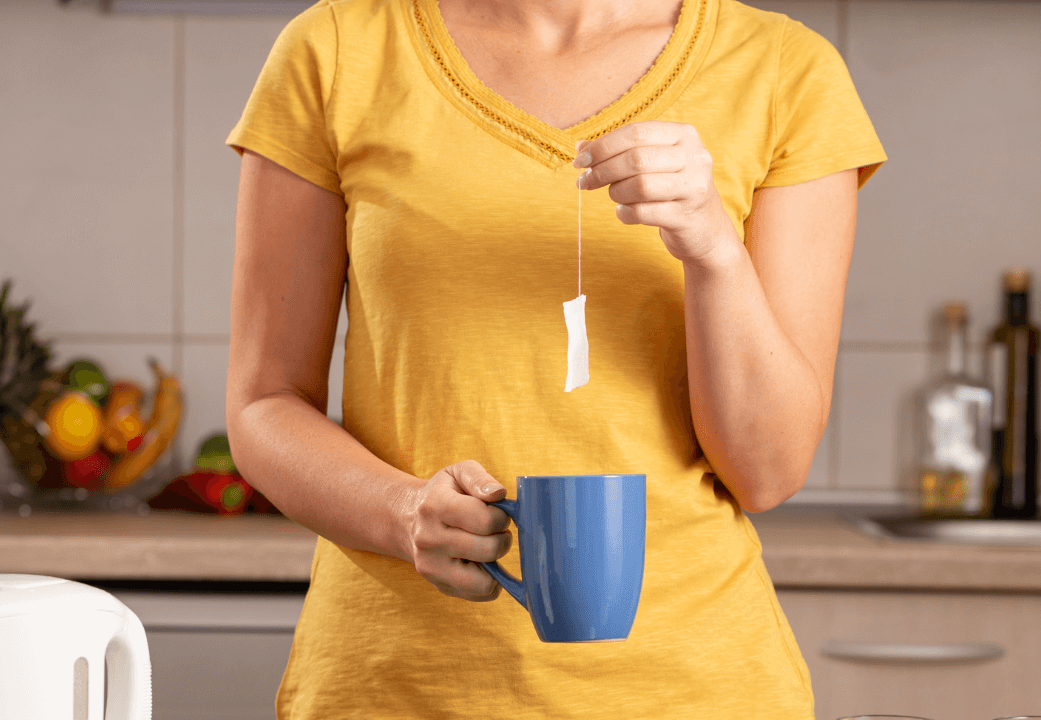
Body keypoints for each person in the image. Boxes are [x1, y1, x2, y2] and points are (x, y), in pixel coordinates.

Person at [224, 0, 885, 715]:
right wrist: (401, 510)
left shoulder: (788, 72)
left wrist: (714, 252)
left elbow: (769, 470)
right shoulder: (336, 48)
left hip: (690, 691)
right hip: (394, 690)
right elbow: (264, 404)